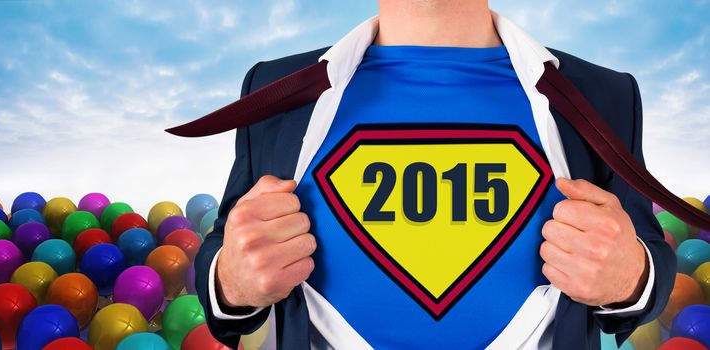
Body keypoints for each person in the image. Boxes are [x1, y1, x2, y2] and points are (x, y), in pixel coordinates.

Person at [192, 1, 676, 349]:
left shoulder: (604, 94)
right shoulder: (273, 90)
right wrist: (231, 280)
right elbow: (225, 257)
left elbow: (648, 261)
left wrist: (631, 277)